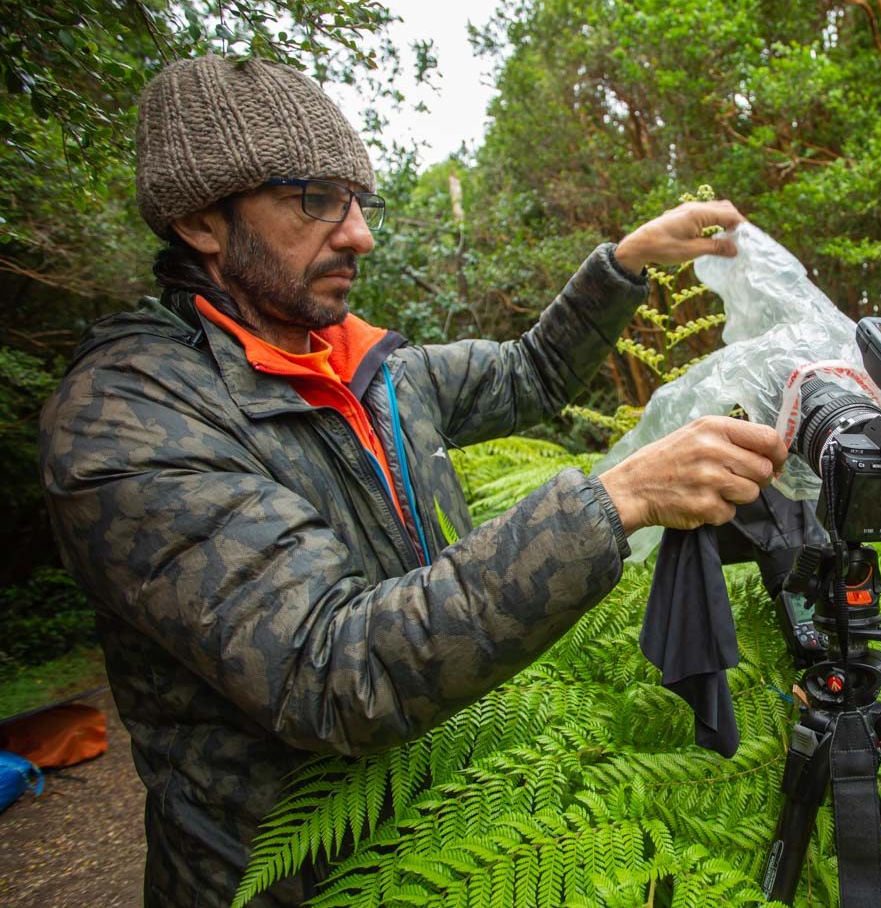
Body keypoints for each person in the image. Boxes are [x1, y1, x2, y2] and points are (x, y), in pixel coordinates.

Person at [37, 55, 786, 906]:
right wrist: (614, 501)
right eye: (315, 199)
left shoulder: (367, 367)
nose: (358, 234)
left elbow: (530, 374)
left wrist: (625, 261)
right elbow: (331, 668)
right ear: (202, 222)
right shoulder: (126, 419)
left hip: (449, 841)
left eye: (359, 201)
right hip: (290, 880)